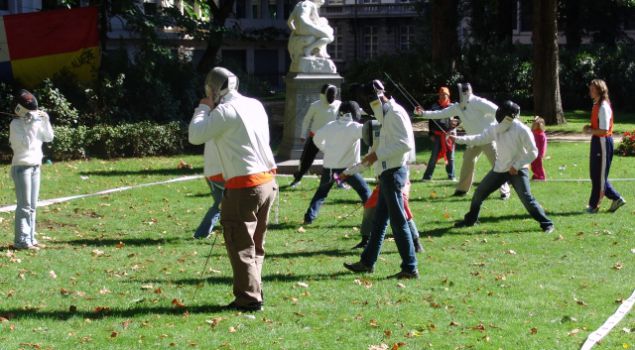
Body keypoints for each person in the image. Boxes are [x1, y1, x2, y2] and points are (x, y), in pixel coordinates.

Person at [189, 67, 277, 312]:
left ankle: (248, 299)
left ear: (213, 89)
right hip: (268, 181)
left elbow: (195, 135)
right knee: (256, 245)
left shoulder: (225, 111)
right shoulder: (255, 104)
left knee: (240, 244)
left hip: (245, 185)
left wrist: (203, 107)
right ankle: (255, 290)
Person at [344, 80, 419, 279]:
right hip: (387, 173)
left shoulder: (394, 113)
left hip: (394, 173)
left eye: (370, 99)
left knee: (398, 223)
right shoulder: (385, 114)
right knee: (379, 222)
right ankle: (367, 262)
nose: (370, 105)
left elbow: (404, 144)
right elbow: (382, 147)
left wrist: (377, 156)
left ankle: (410, 268)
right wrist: (360, 166)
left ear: (378, 96)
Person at [451, 101, 554, 233]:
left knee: (526, 198)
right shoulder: (495, 127)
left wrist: (516, 166)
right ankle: (470, 220)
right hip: (500, 168)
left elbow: (533, 152)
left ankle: (547, 224)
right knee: (479, 194)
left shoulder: (522, 129)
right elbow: (479, 138)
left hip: (518, 170)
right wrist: (458, 139)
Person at [414, 83, 510, 199]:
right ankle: (462, 190)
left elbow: (498, 111)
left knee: (497, 164)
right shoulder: (457, 107)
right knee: (468, 161)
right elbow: (440, 113)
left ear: (464, 93)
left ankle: (505, 191)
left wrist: (501, 126)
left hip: (488, 138)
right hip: (473, 140)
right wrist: (423, 113)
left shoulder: (479, 102)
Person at [302, 101, 371, 224]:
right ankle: (373, 213)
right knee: (365, 191)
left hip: (330, 169)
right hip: (348, 171)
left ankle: (309, 217)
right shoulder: (355, 127)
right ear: (355, 113)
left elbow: (316, 138)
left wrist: (325, 149)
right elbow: (371, 131)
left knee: (321, 193)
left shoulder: (330, 125)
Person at [9, 89, 54, 250]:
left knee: (33, 205)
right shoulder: (15, 125)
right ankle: (21, 241)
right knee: (25, 205)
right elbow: (24, 145)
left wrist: (45, 120)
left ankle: (30, 238)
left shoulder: (36, 121)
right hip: (22, 167)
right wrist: (30, 125)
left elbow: (48, 137)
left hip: (36, 165)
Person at [583, 79, 626, 213]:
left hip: (603, 142)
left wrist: (590, 130)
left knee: (599, 176)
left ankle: (594, 205)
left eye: (592, 88)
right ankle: (616, 198)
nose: (590, 90)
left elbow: (604, 130)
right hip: (597, 141)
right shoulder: (596, 105)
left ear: (599, 90)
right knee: (595, 174)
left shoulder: (603, 107)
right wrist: (590, 128)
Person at [289, 84, 341, 188]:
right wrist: (303, 135)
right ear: (324, 94)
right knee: (306, 160)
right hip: (315, 137)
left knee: (336, 160)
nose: (332, 98)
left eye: (333, 95)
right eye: (330, 95)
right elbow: (306, 120)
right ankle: (297, 179)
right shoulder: (315, 105)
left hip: (331, 138)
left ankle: (339, 182)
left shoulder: (339, 104)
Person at [189, 129, 225, 239]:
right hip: (218, 174)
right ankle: (201, 233)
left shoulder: (212, 129)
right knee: (222, 204)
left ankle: (202, 233)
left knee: (222, 204)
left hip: (213, 173)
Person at [421, 86, 457, 181]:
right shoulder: (434, 107)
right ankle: (427, 177)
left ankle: (451, 176)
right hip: (437, 134)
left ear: (448, 95)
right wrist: (430, 134)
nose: (442, 96)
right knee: (434, 156)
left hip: (450, 134)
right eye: (441, 94)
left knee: (451, 157)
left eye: (444, 94)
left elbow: (459, 120)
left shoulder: (453, 107)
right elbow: (430, 121)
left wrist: (454, 125)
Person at [530, 116, 547, 181]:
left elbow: (543, 145)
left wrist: (542, 153)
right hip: (533, 152)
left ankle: (541, 176)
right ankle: (536, 175)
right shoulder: (533, 133)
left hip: (539, 153)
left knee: (539, 166)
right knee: (533, 166)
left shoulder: (541, 135)